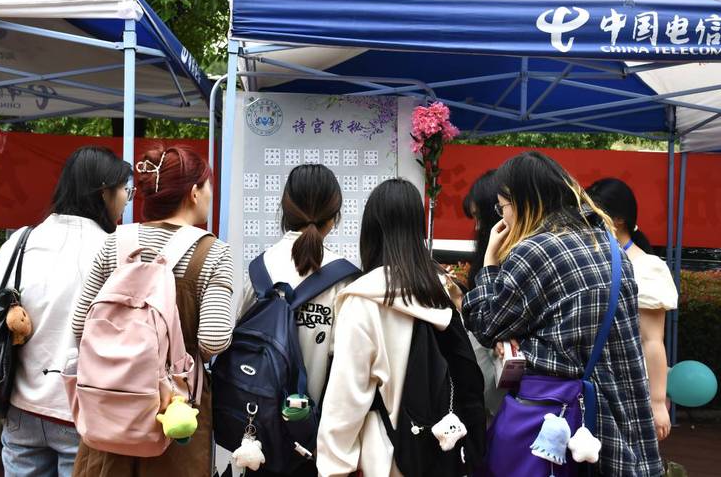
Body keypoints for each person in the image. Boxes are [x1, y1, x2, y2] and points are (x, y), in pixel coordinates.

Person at [462, 151, 662, 476]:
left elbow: (486, 324)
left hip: (555, 417)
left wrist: (489, 262)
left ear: (523, 202)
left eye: (503, 207)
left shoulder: (536, 250)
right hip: (614, 414)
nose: (503, 217)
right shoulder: (609, 245)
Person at [71, 144, 234, 477]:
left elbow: (79, 326)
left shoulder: (114, 243)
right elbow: (213, 339)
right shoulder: (214, 253)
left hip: (110, 407)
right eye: (208, 187)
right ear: (194, 193)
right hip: (175, 414)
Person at [0, 146, 132, 477]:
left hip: (20, 405)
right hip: (83, 411)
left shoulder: (21, 242)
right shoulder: (115, 250)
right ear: (103, 192)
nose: (126, 200)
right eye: (125, 190)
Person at [316, 179, 464, 476]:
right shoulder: (440, 294)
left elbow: (346, 400)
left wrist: (332, 468)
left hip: (383, 460)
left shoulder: (363, 301)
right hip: (439, 454)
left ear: (371, 232)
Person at [233, 164, 358, 477]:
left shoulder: (258, 271)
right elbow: (349, 368)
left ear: (285, 210)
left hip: (258, 438)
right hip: (316, 444)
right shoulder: (344, 280)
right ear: (334, 216)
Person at [588, 177, 677, 442]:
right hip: (592, 384)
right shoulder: (591, 261)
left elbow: (652, 340)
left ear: (618, 220)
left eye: (594, 214)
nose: (586, 222)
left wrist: (657, 402)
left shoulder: (647, 268)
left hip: (629, 388)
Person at [460, 169, 505, 418]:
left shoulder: (511, 255)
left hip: (500, 383)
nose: (477, 226)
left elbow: (489, 324)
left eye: (479, 217)